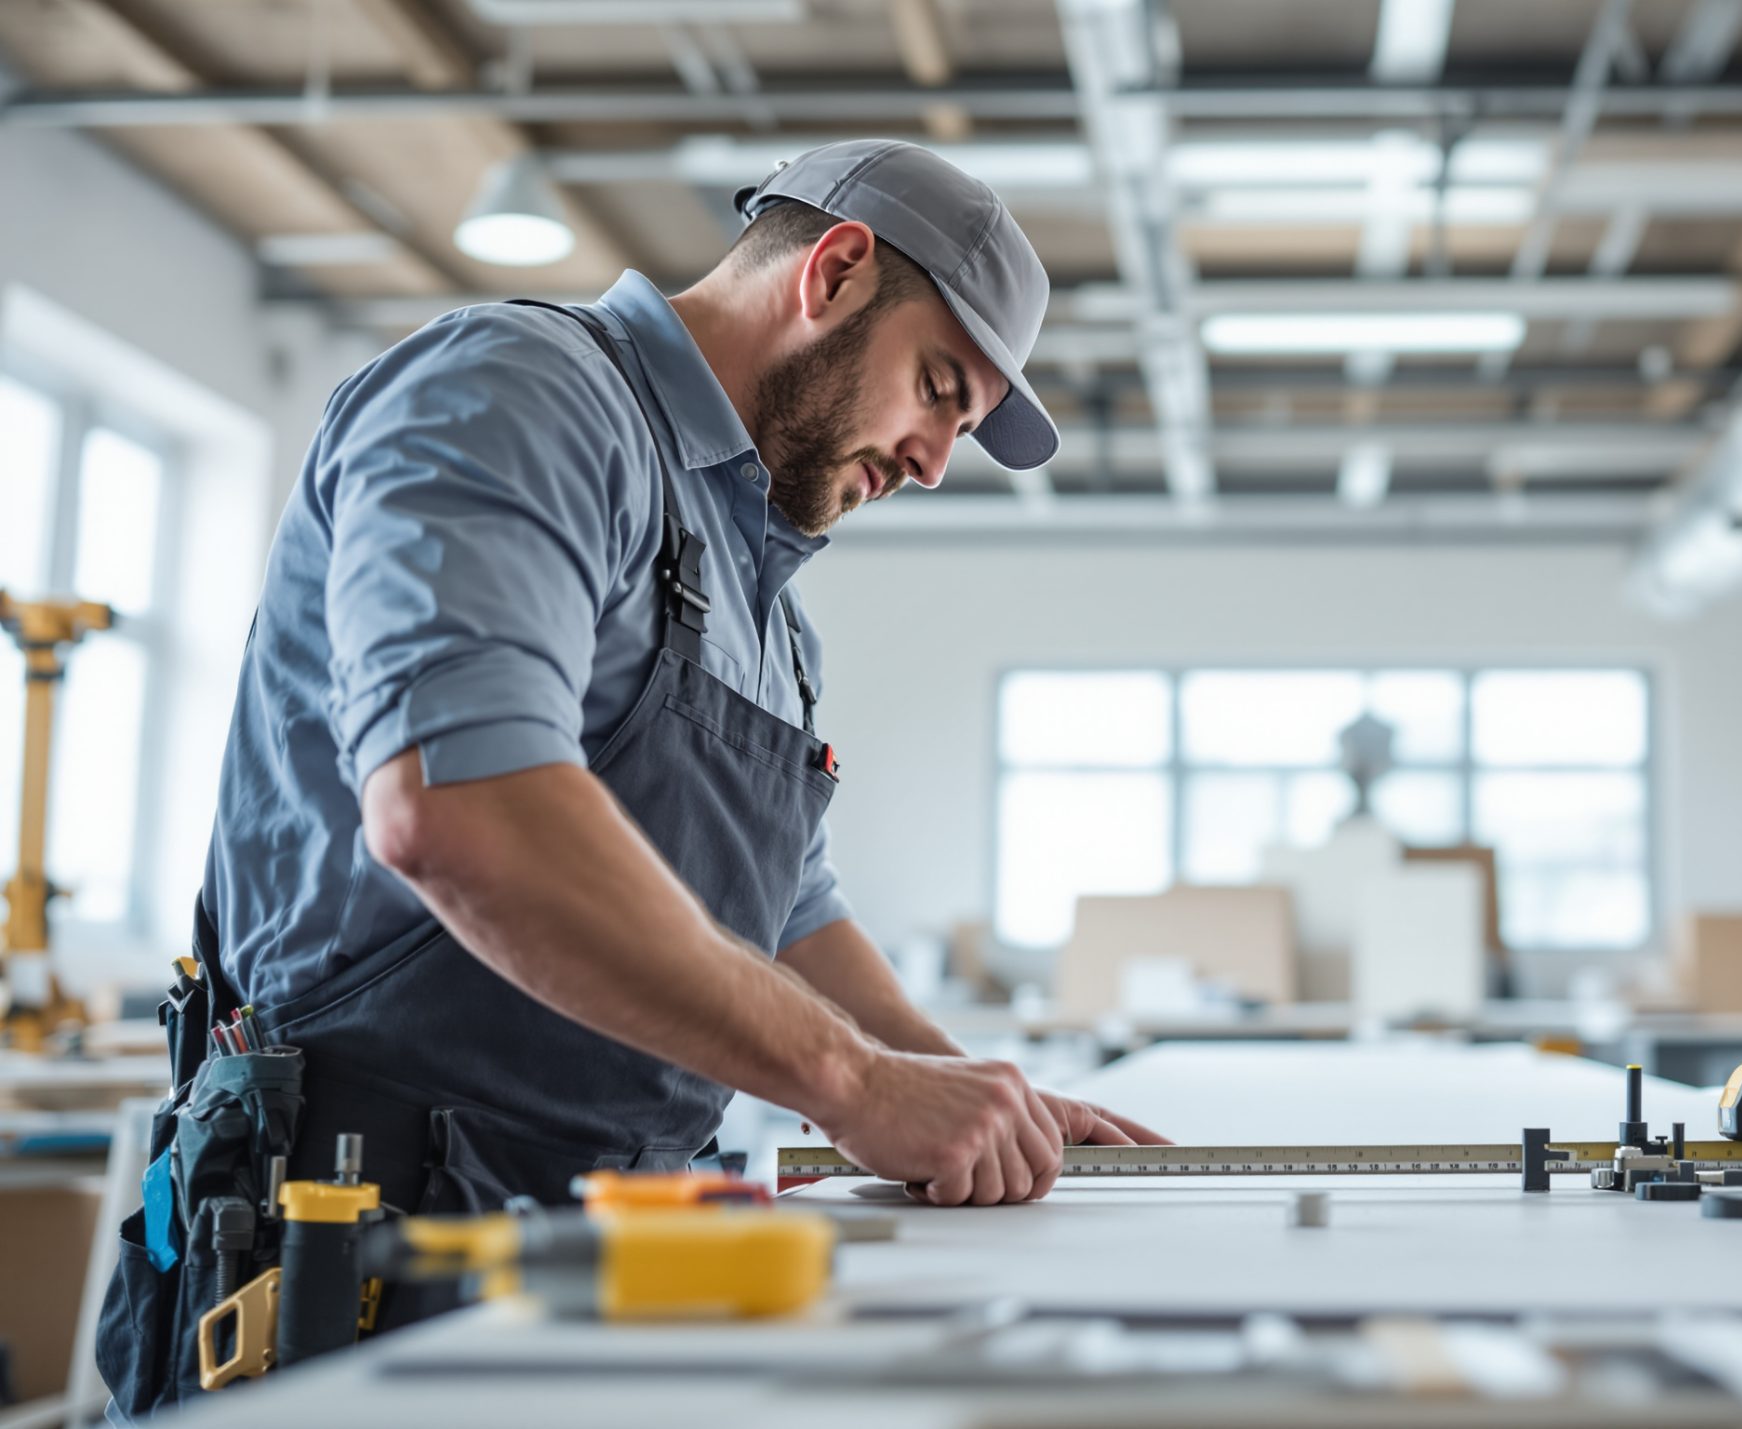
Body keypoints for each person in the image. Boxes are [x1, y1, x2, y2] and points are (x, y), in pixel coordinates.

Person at [99, 140, 1162, 1417]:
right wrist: (861, 1088)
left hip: (597, 1241)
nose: (935, 459)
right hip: (360, 1240)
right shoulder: (521, 398)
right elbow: (459, 808)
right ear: (832, 271)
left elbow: (787, 910)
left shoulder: (765, 595)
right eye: (938, 388)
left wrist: (974, 1089)